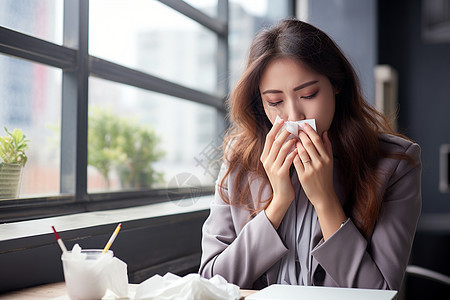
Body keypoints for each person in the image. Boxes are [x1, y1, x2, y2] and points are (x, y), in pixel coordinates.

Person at [199, 18, 421, 291]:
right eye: (275, 102)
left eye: (308, 94)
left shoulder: (393, 164)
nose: (294, 116)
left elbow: (380, 293)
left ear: (336, 84)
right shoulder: (239, 158)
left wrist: (325, 200)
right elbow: (211, 283)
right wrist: (277, 205)